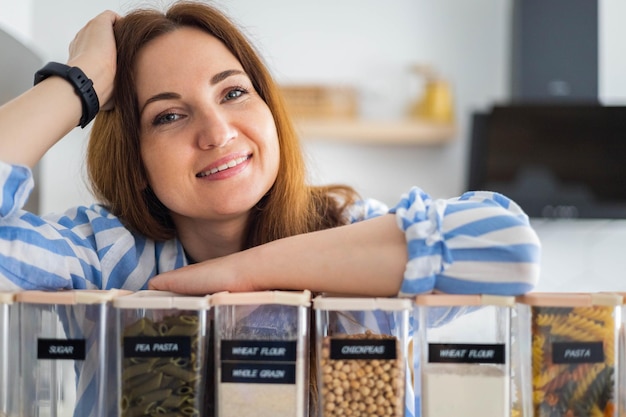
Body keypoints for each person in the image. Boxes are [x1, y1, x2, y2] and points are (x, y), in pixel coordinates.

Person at [0, 1, 541, 416]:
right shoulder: (103, 256)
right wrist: (81, 79)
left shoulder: (351, 231)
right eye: (168, 116)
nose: (217, 133)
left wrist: (239, 274)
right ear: (134, 158)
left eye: (233, 93)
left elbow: (508, 246)